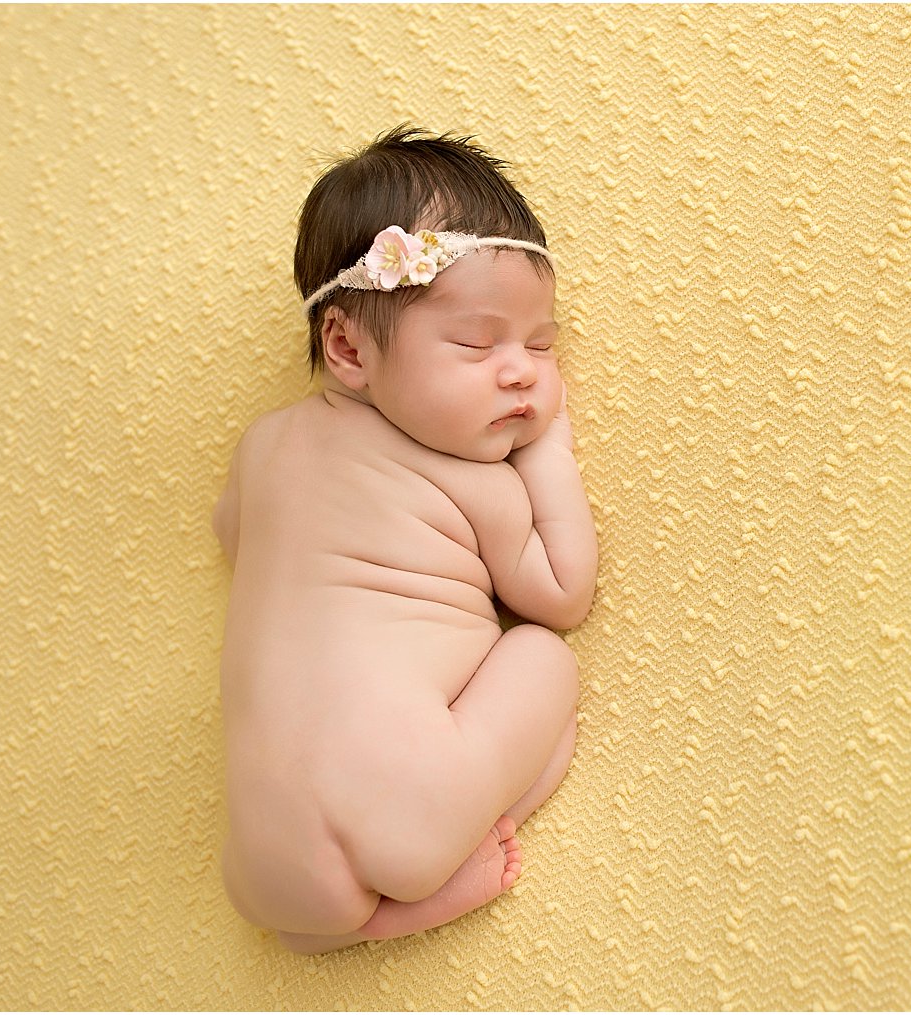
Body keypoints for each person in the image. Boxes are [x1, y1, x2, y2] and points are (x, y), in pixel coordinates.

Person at [209, 125, 598, 955]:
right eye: (475, 343)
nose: (522, 371)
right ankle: (443, 869)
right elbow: (564, 593)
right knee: (543, 659)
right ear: (346, 346)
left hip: (258, 862)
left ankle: (327, 928)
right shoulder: (477, 480)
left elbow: (231, 535)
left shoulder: (262, 446)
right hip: (408, 810)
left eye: (540, 344)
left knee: (304, 911)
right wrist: (551, 456)